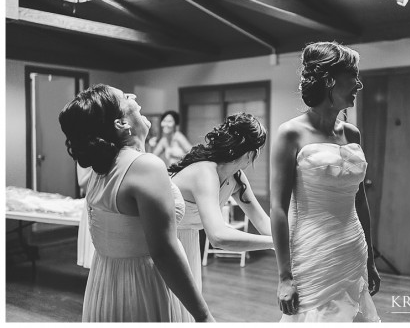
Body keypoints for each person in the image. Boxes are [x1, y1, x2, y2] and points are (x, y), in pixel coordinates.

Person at [59, 84, 214, 322]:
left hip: (106, 282)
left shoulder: (102, 168)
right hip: (141, 286)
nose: (134, 97)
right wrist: (203, 317)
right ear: (121, 123)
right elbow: (164, 252)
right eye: (125, 97)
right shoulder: (145, 166)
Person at [270, 41, 380, 322]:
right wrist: (284, 276)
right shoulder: (290, 134)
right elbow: (278, 209)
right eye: (354, 75)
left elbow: (359, 199)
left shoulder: (352, 134)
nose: (359, 84)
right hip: (313, 250)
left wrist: (370, 258)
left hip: (353, 246)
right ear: (330, 79)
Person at [168, 112, 274, 291]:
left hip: (188, 242)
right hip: (166, 241)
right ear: (249, 153)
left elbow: (263, 222)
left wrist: (291, 239)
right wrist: (276, 242)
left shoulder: (236, 177)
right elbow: (218, 236)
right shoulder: (205, 172)